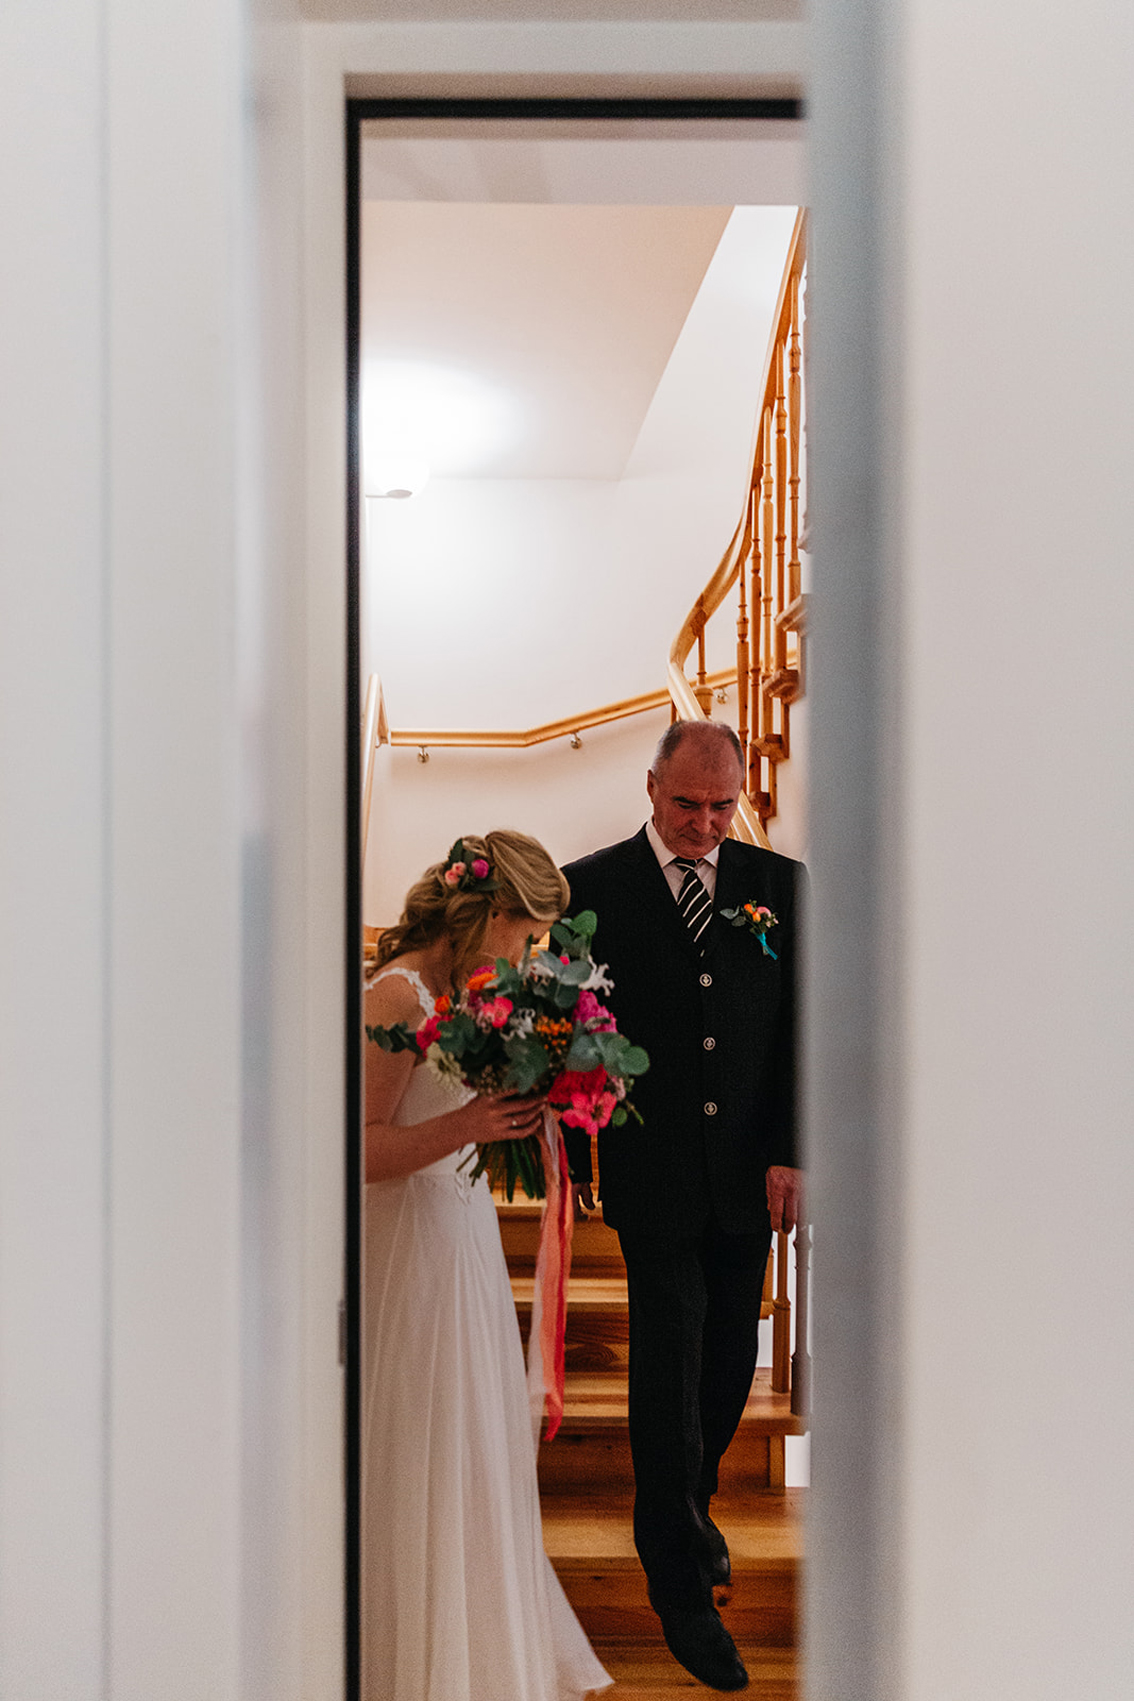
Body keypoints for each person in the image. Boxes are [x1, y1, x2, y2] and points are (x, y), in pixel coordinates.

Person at [561, 721, 804, 1694]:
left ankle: (689, 1508)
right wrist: (576, 1140)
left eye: (721, 806)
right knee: (669, 1352)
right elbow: (572, 1027)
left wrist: (793, 1148)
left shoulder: (781, 886)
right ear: (651, 787)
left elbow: (803, 1026)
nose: (704, 823)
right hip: (651, 1166)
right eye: (686, 804)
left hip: (750, 1170)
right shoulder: (590, 889)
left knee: (727, 1356)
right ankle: (675, 1579)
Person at [362, 829, 611, 1701]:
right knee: (422, 1452)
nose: (531, 952)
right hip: (409, 1249)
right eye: (528, 932)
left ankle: (474, 1659)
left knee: (472, 1450)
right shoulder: (397, 995)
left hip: (460, 1238)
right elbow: (359, 1149)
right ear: (492, 910)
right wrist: (470, 1124)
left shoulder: (467, 994)